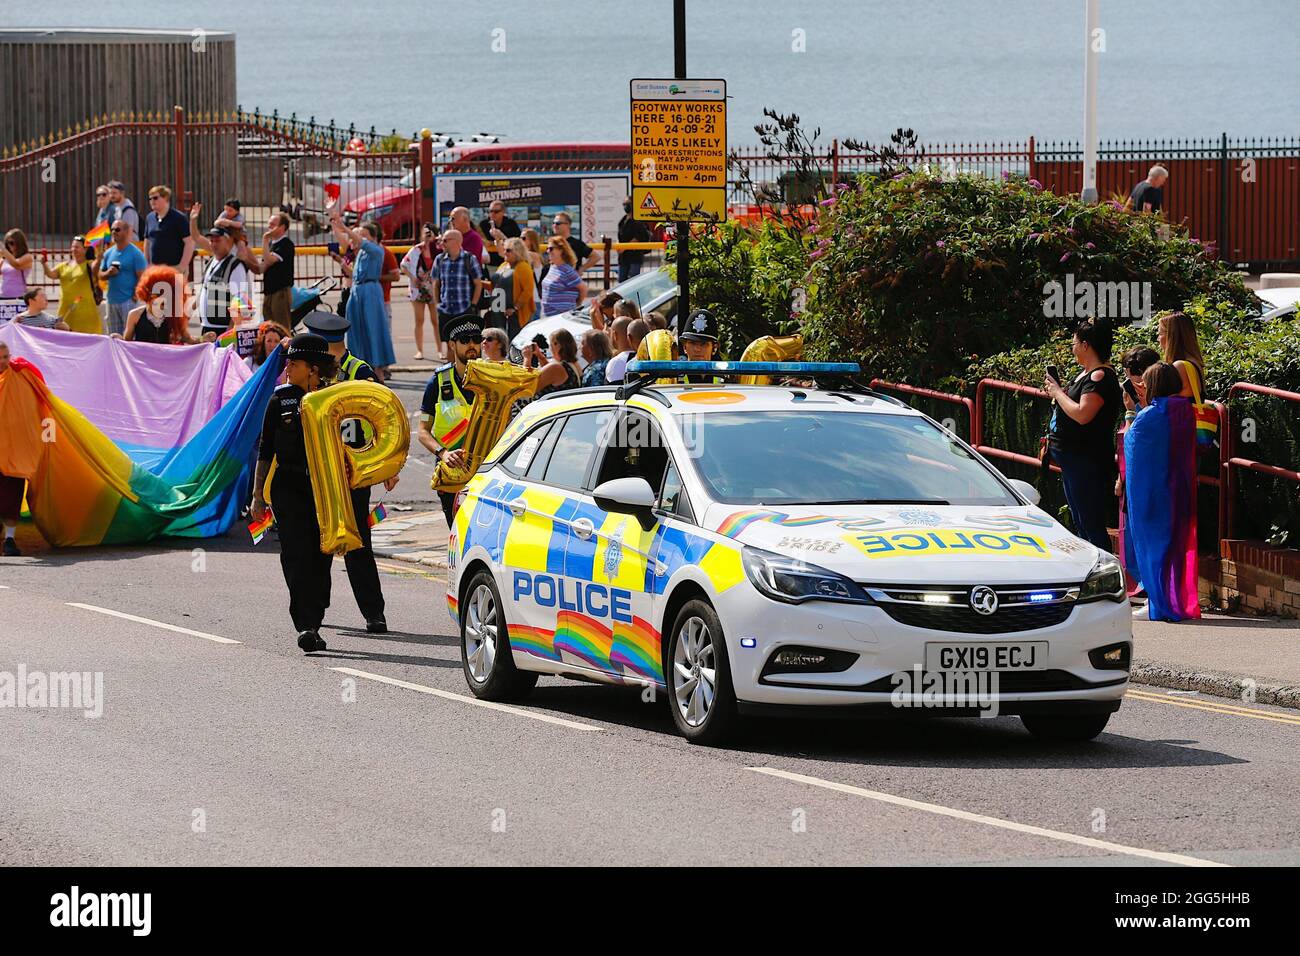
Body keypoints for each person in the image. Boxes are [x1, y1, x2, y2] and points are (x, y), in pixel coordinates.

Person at [304, 309, 395, 634]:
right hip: (324, 470)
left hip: (352, 471)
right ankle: (321, 612)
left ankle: (371, 612)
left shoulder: (358, 371)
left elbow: (383, 416)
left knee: (354, 540)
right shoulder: (318, 372)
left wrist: (384, 465)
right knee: (325, 541)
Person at [250, 333, 339, 653]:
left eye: (295, 363)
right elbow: (265, 449)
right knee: (294, 555)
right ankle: (307, 625)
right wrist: (258, 495)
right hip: (288, 488)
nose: (288, 367)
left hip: (323, 488)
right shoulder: (279, 400)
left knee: (321, 555)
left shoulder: (335, 399)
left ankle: (315, 609)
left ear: (313, 369)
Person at [1124, 361, 1201, 623]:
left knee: (1153, 549)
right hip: (1180, 491)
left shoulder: (1150, 416)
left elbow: (1131, 445)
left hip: (1153, 494)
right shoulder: (1185, 410)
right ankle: (1177, 602)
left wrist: (1131, 413)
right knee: (1175, 550)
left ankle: (1159, 603)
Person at [1044, 318, 1123, 552]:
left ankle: (1104, 577)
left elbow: (1082, 414)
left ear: (1086, 345)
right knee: (1080, 522)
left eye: (1075, 342)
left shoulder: (1100, 377)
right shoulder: (1085, 374)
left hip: (1087, 460)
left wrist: (1058, 393)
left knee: (1091, 523)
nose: (1073, 347)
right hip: (1071, 458)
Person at [418, 313, 482, 526]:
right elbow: (423, 432)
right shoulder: (437, 382)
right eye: (465, 340)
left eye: (476, 339)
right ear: (452, 345)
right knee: (458, 536)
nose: (472, 345)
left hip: (485, 473)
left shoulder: (493, 379)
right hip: (452, 475)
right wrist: (443, 453)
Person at [327, 200, 396, 379]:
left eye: (364, 236)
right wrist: (333, 218)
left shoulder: (376, 250)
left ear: (373, 237)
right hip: (357, 292)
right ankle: (360, 368)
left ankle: (378, 371)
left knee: (373, 329)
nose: (359, 239)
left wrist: (343, 225)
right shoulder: (362, 253)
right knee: (356, 331)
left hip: (370, 293)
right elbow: (353, 270)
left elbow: (353, 238)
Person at [1115, 345, 1161, 597]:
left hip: (1147, 479)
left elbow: (1135, 437)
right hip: (1130, 476)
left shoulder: (1154, 408)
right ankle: (1139, 585)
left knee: (1146, 535)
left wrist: (1131, 410)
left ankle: (1149, 588)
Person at [242, 211, 295, 331]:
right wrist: (245, 256)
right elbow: (261, 268)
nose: (269, 227)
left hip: (280, 292)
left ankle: (286, 350)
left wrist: (265, 239)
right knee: (269, 328)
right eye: (269, 224)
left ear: (282, 227)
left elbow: (269, 260)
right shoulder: (272, 244)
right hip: (269, 292)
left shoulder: (285, 244)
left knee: (282, 329)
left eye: (273, 224)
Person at [122, 266, 200, 344]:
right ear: (147, 295)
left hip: (168, 356)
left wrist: (203, 339)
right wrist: (116, 339)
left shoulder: (174, 315)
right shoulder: (135, 315)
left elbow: (187, 338)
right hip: (141, 356)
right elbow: (126, 341)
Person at [40, 237, 101, 334]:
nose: (74, 249)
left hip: (85, 312)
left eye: (77, 247)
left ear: (85, 249)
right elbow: (51, 274)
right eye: (72, 247)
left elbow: (96, 268)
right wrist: (44, 264)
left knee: (85, 339)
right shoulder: (64, 265)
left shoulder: (89, 264)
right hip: (66, 309)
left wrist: (99, 258)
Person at [0, 342, 26, 555]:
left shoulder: (20, 376)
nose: (3, 361)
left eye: (6, 357)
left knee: (13, 495)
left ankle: (10, 540)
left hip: (14, 450)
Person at [98, 220, 147, 336]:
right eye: (113, 230)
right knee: (113, 337)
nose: (114, 232)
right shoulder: (108, 253)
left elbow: (142, 277)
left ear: (126, 231)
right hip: (111, 301)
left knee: (128, 337)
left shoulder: (135, 253)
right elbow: (100, 275)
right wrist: (108, 273)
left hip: (128, 301)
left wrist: (135, 296)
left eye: (118, 230)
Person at [432, 228, 484, 334]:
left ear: (457, 241)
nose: (442, 243)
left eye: (445, 240)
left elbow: (478, 284)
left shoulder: (469, 259)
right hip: (445, 310)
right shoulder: (439, 259)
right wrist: (437, 304)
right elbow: (436, 284)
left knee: (465, 343)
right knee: (450, 345)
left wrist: (473, 305)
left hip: (464, 309)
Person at [400, 224, 440, 360]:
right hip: (418, 289)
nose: (428, 235)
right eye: (425, 233)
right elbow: (403, 265)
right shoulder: (416, 250)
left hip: (434, 289)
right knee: (419, 320)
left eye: (430, 233)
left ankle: (440, 350)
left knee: (436, 321)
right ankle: (419, 350)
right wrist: (413, 278)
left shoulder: (439, 249)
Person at [487, 236, 535, 338]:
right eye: (504, 250)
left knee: (513, 342)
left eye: (508, 250)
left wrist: (515, 308)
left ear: (518, 251)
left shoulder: (523, 267)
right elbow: (496, 285)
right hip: (498, 312)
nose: (505, 253)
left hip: (514, 315)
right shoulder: (504, 265)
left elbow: (528, 291)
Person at [142, 185, 195, 273]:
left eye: (155, 198)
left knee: (177, 287)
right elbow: (147, 242)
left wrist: (182, 266)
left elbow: (189, 242)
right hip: (154, 269)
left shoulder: (179, 218)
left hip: (175, 268)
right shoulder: (149, 218)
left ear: (166, 198)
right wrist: (146, 264)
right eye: (150, 199)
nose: (152, 201)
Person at [1158, 310, 1207, 401]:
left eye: (1160, 334)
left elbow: (1168, 406)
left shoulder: (1180, 366)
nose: (1158, 339)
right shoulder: (1192, 362)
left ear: (1171, 337)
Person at [523, 328, 581, 398]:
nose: (550, 348)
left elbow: (526, 387)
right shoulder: (574, 364)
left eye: (550, 344)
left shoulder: (556, 367)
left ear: (557, 345)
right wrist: (540, 356)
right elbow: (550, 376)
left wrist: (527, 358)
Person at [539, 237, 586, 317]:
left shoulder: (567, 270)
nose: (548, 251)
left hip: (562, 317)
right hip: (548, 316)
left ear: (561, 250)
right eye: (547, 248)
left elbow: (583, 288)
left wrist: (576, 305)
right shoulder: (552, 267)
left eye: (551, 249)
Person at [1, 229, 33, 325]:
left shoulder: (27, 257)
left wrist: (3, 250)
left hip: (18, 299)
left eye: (11, 243)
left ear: (19, 242)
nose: (9, 246)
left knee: (18, 328)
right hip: (3, 297)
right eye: (7, 243)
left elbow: (16, 264)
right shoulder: (5, 259)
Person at [617, 197, 652, 281]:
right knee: (621, 280)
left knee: (633, 281)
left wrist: (623, 248)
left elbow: (638, 237)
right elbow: (620, 235)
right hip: (623, 257)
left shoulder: (638, 219)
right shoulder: (623, 220)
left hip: (634, 256)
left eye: (628, 204)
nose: (625, 206)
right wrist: (618, 246)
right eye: (624, 204)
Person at [479, 199, 521, 268]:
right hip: (490, 262)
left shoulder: (511, 224)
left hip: (508, 262)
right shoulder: (484, 224)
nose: (492, 214)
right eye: (490, 211)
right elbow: (479, 239)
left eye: (496, 211)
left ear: (503, 212)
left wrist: (501, 236)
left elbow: (517, 242)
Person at [603, 316, 635, 384]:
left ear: (615, 335)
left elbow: (612, 392)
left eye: (610, 332)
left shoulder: (616, 362)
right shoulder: (644, 357)